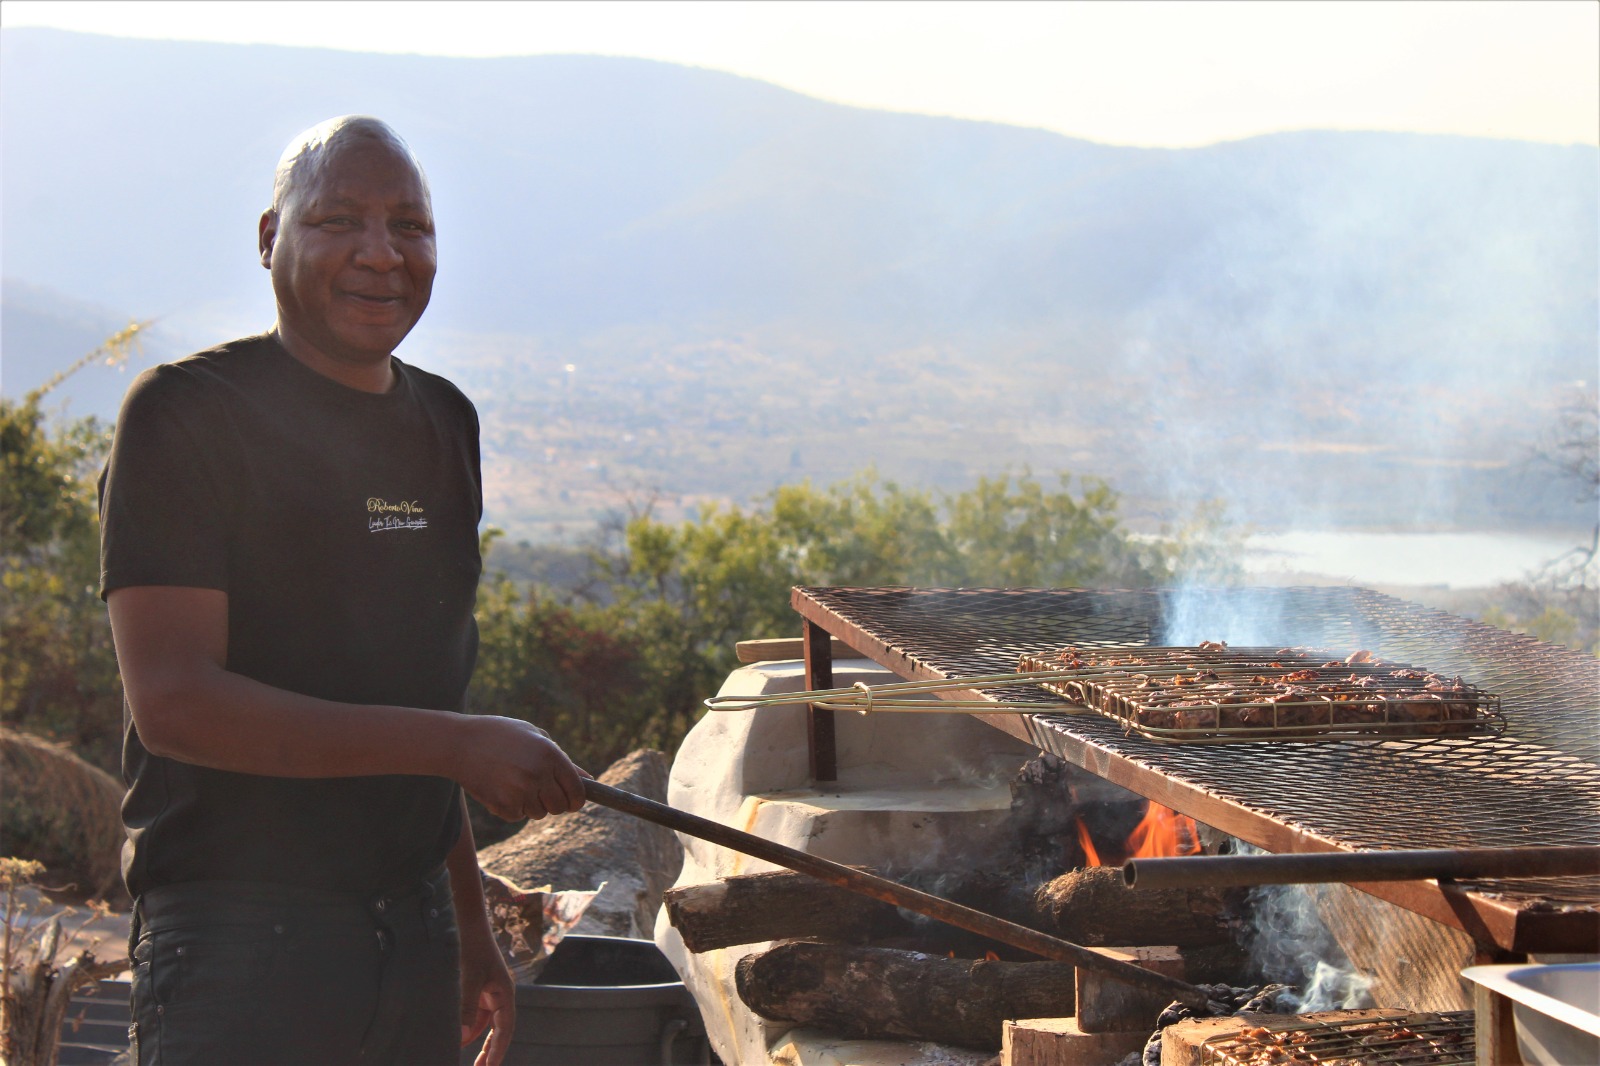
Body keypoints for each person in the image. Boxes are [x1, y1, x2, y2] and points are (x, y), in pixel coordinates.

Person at [99, 115, 585, 1066]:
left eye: (411, 226)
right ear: (270, 237)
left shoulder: (444, 421)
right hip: (238, 940)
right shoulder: (187, 416)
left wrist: (469, 925)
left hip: (413, 934)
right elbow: (176, 706)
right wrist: (458, 747)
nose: (380, 253)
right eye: (337, 221)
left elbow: (421, 699)